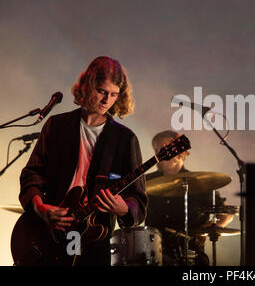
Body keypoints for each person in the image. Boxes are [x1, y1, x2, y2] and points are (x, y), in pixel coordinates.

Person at [16, 56, 147, 265]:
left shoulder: (125, 139)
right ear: (87, 87)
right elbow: (32, 173)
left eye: (114, 94)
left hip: (93, 239)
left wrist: (124, 208)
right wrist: (41, 208)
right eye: (102, 92)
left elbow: (137, 199)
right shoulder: (57, 125)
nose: (107, 100)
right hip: (49, 228)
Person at [145, 130, 234, 266]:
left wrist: (208, 229)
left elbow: (227, 214)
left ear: (181, 153)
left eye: (162, 149)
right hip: (153, 253)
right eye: (156, 150)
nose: (158, 155)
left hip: (192, 254)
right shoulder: (145, 182)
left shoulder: (201, 183)